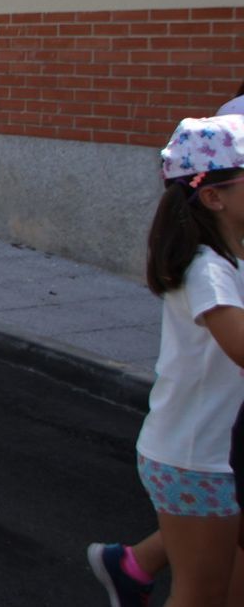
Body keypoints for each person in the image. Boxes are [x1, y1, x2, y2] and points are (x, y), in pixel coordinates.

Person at [90, 78, 244, 605]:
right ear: (215, 197)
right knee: (201, 593)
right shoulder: (208, 273)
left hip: (220, 453)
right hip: (195, 457)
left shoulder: (230, 260)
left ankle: (128, 568)